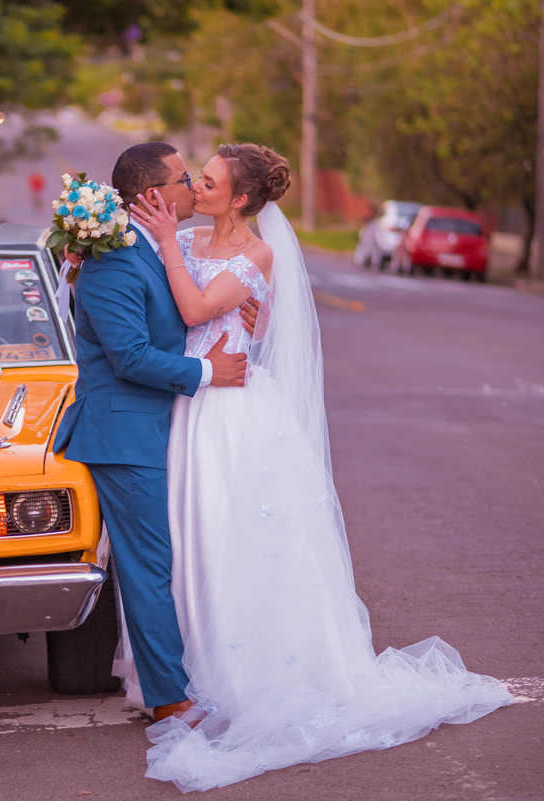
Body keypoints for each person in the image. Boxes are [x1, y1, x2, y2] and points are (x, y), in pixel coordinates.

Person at [127, 143, 514, 792]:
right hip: (189, 401)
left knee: (230, 535)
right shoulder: (187, 237)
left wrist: (169, 245)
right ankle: (181, 672)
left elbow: (194, 311)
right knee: (188, 535)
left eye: (210, 181)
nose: (196, 185)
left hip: (232, 412)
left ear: (241, 199)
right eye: (197, 177)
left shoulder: (256, 254)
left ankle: (237, 674)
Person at [51, 141, 249, 723]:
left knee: (173, 558)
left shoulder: (154, 247)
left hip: (162, 425)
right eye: (185, 178)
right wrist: (208, 371)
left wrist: (246, 313)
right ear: (153, 195)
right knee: (148, 566)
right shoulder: (113, 261)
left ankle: (182, 679)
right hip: (124, 433)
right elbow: (130, 356)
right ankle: (168, 699)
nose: (193, 187)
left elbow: (193, 307)